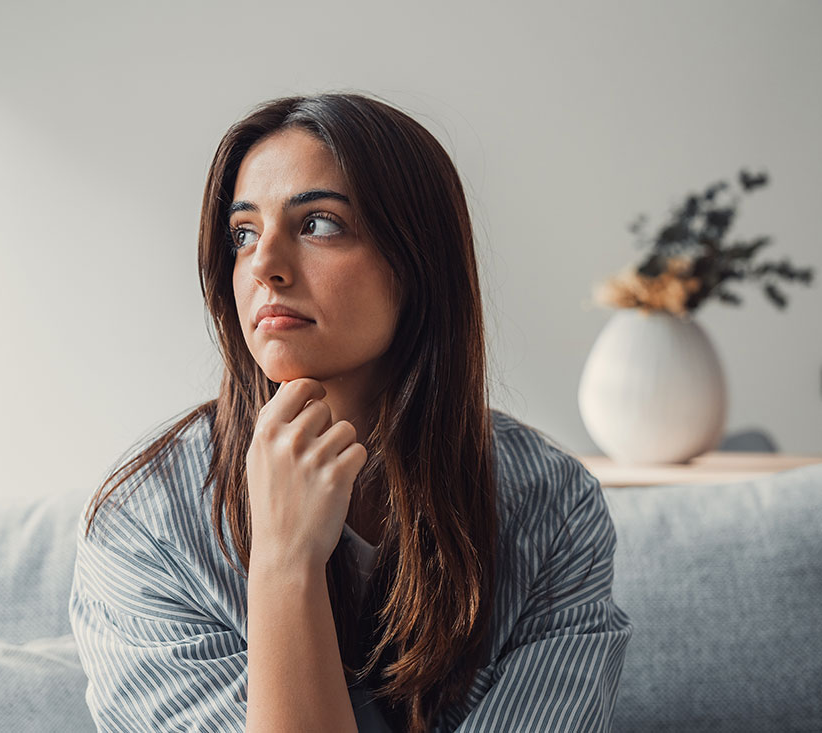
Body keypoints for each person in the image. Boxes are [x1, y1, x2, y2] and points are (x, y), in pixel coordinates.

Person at [69, 92, 633, 732]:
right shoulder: (148, 521)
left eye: (318, 224)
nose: (265, 266)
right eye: (243, 233)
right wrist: (285, 564)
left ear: (418, 262)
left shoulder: (551, 506)